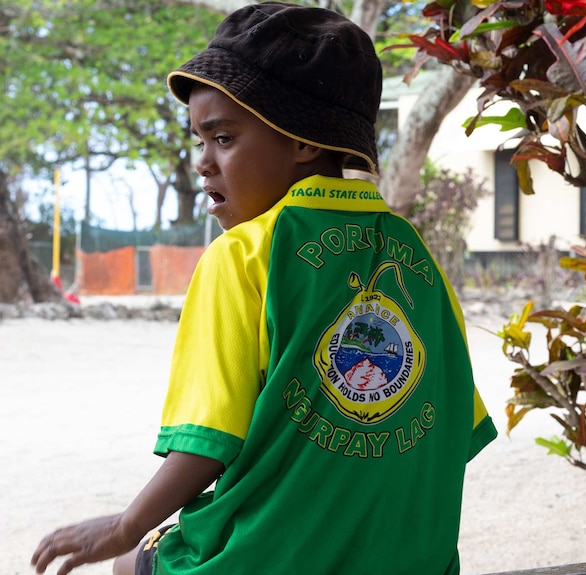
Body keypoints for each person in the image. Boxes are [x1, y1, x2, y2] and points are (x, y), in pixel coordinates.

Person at [30, 3, 497, 575]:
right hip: (419, 563)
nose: (203, 163)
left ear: (303, 141)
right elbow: (453, 432)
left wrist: (127, 527)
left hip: (264, 562)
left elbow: (205, 444)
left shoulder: (243, 255)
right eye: (200, 142)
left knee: (131, 565)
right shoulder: (415, 254)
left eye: (223, 138)